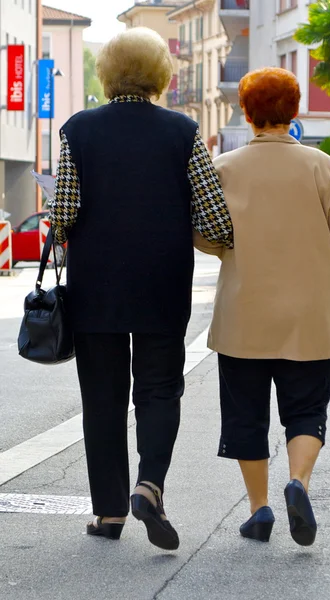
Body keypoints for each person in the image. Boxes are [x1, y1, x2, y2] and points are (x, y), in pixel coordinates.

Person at [49, 27, 233, 550]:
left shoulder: (79, 130)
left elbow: (62, 213)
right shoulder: (183, 132)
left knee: (102, 399)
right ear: (160, 75)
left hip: (96, 290)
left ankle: (108, 514)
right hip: (162, 283)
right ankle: (149, 485)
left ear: (107, 73)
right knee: (158, 390)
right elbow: (215, 217)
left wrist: (65, 228)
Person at [194, 67, 330, 547]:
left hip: (243, 314)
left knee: (246, 414)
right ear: (294, 110)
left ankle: (260, 510)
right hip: (308, 316)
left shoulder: (224, 168)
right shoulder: (323, 167)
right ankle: (298, 483)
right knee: (307, 410)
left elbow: (205, 234)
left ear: (246, 113)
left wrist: (231, 247)